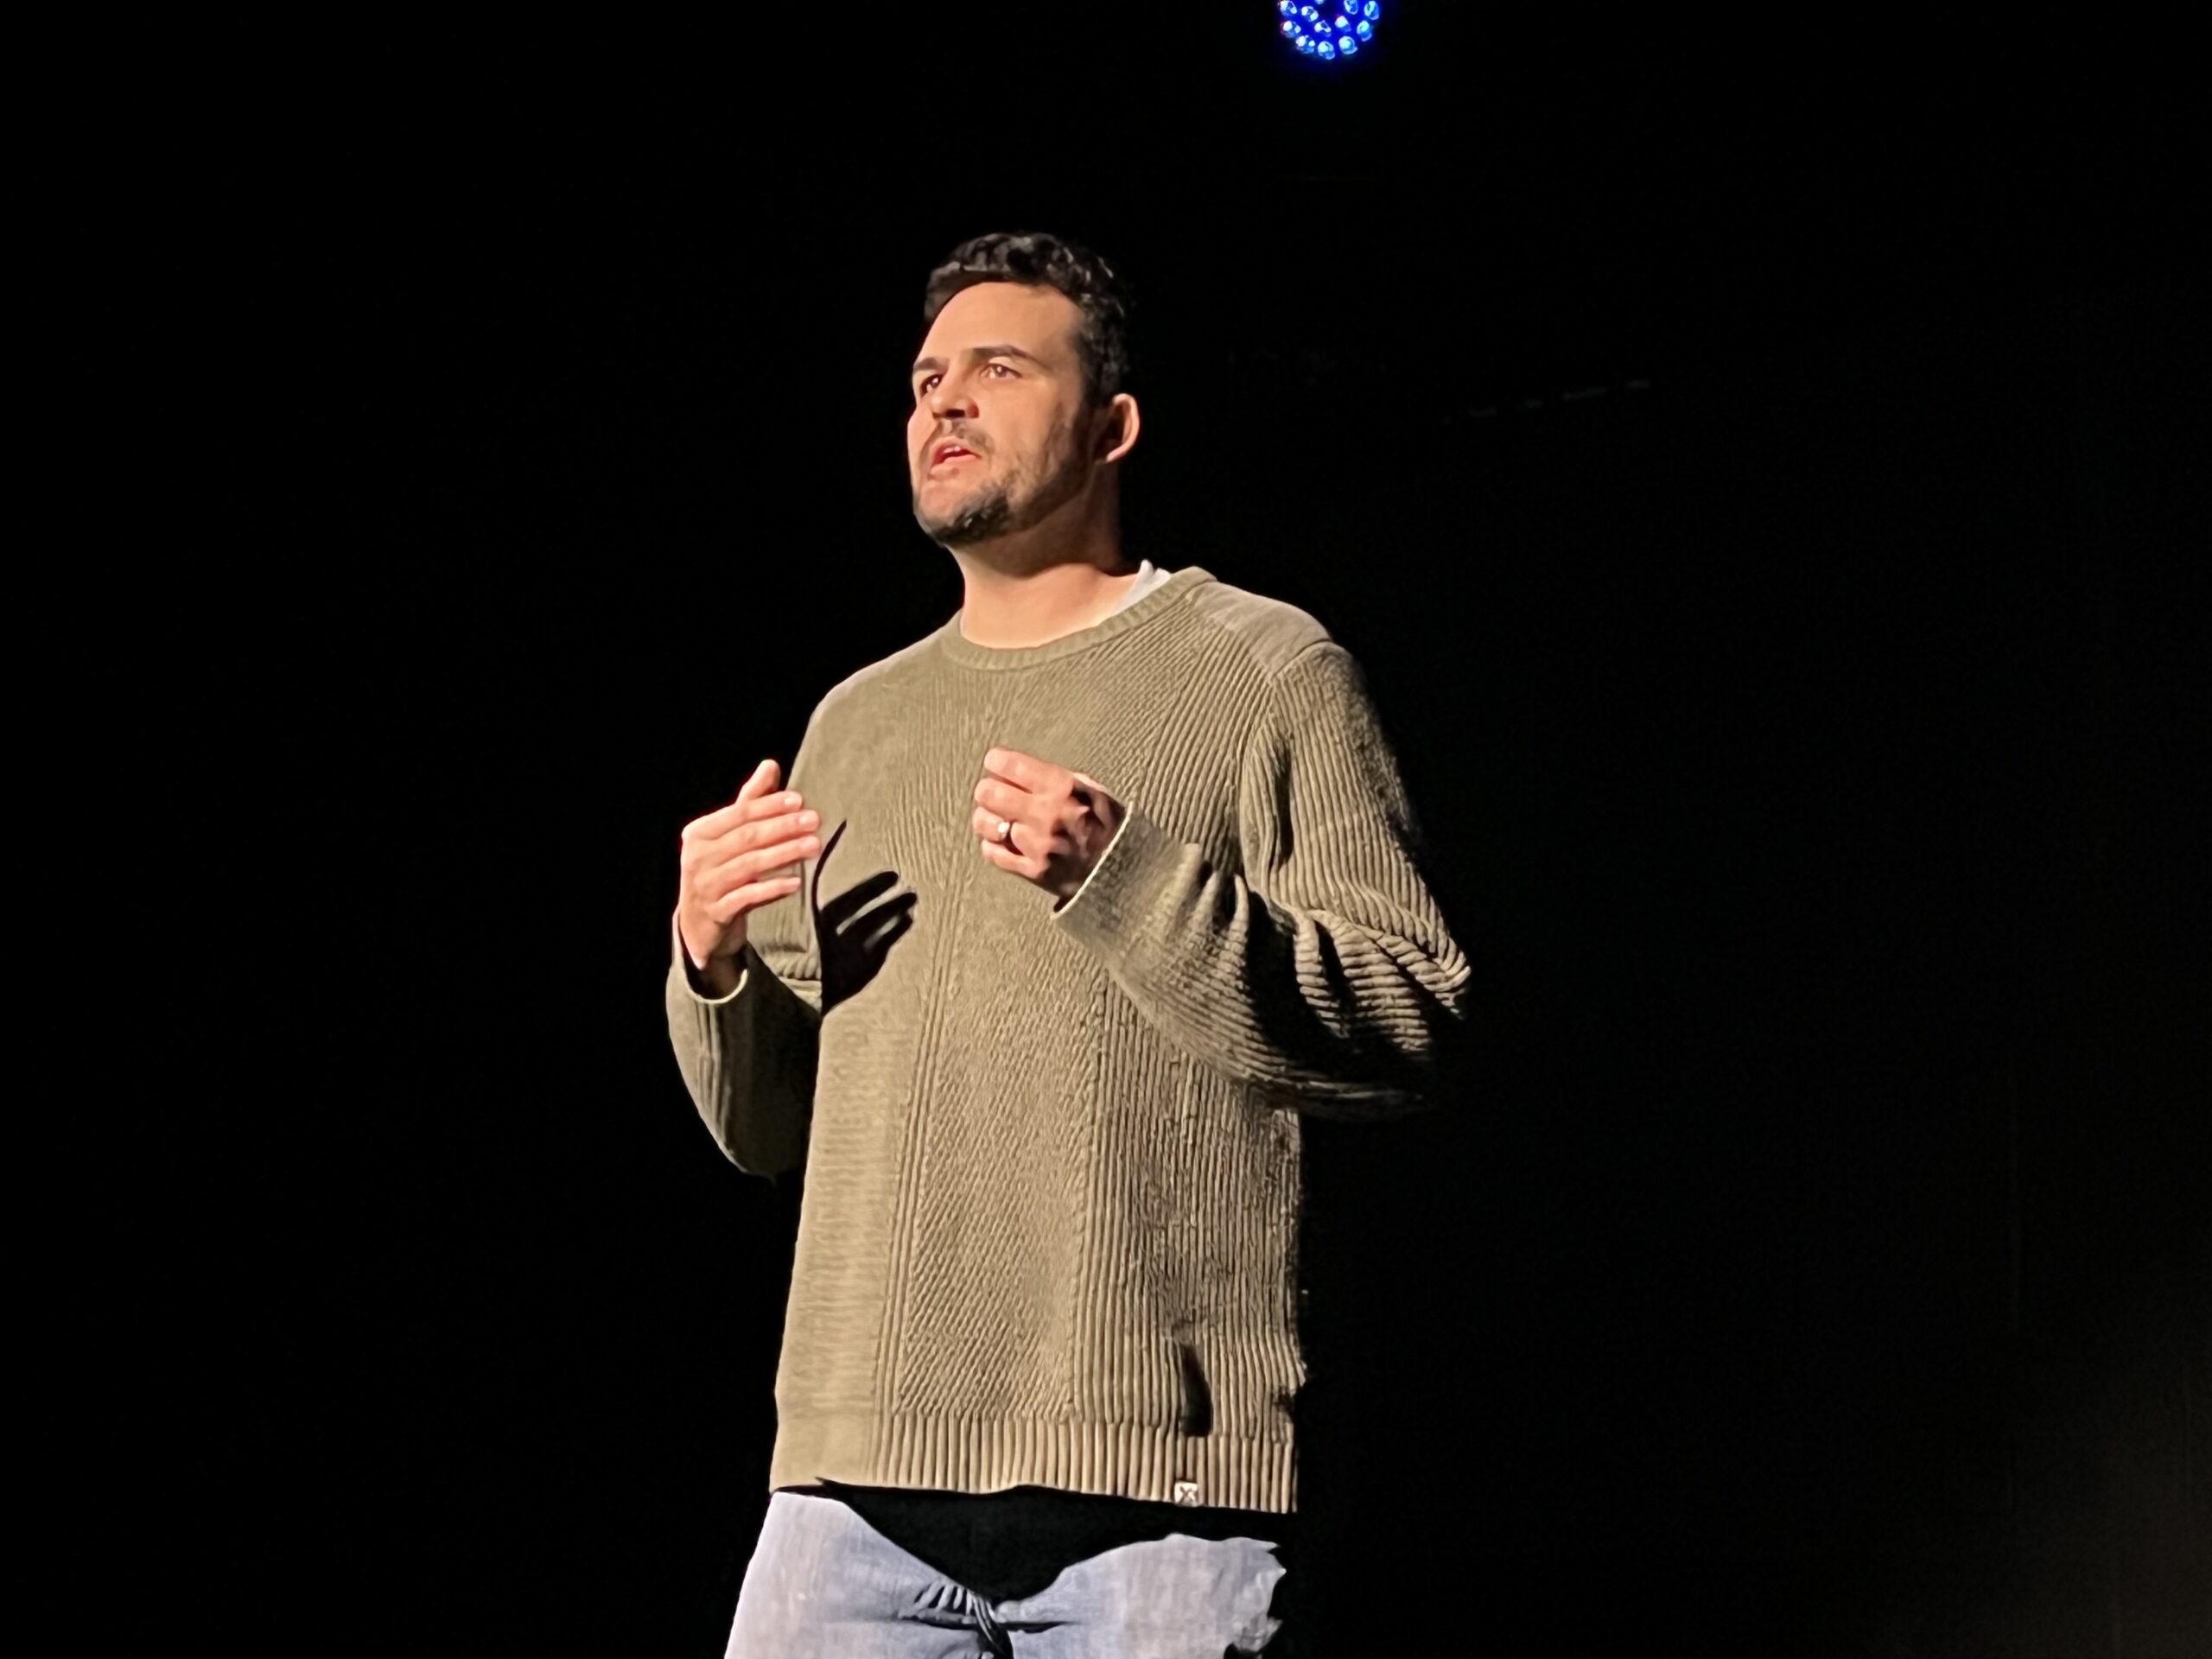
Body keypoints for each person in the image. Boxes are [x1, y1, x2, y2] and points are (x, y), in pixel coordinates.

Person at [666, 231, 1470, 1657]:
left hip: (1160, 1497)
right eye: (924, 378)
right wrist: (712, 963)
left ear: (1112, 426)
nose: (943, 403)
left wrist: (1135, 878)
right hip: (851, 1486)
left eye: (998, 367)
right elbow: (764, 1132)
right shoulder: (856, 720)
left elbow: (1411, 1018)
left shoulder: (1266, 669)